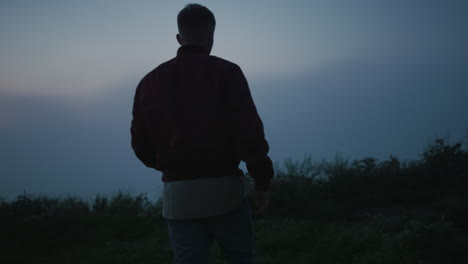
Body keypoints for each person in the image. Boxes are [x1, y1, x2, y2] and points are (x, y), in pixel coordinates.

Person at [130, 3, 274, 263]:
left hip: (178, 197)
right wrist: (262, 181)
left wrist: (172, 167)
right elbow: (248, 132)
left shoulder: (149, 81)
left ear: (178, 37)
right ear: (212, 35)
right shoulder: (227, 72)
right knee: (240, 257)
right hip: (225, 193)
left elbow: (140, 144)